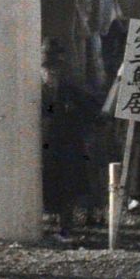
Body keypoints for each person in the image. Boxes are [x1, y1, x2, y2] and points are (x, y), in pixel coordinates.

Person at [40, 43, 92, 241]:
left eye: (55, 67)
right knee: (47, 186)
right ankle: (47, 224)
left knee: (67, 187)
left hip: (67, 146)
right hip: (45, 145)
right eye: (47, 67)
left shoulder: (70, 89)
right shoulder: (34, 89)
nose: (51, 72)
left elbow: (87, 111)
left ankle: (65, 227)